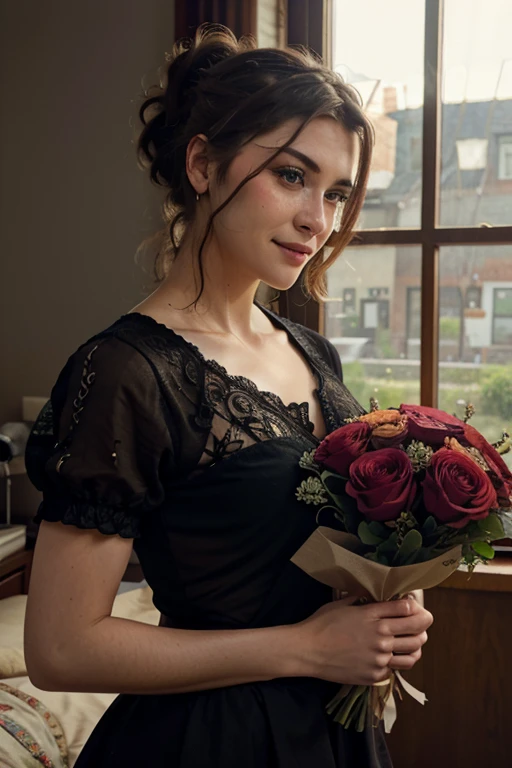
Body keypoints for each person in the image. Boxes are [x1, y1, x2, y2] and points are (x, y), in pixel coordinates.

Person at [23, 25, 433, 768]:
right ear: (203, 163)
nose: (319, 218)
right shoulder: (125, 370)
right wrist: (306, 648)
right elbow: (59, 648)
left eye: (336, 191)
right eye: (291, 176)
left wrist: (382, 609)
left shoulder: (311, 352)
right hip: (208, 743)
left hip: (333, 737)